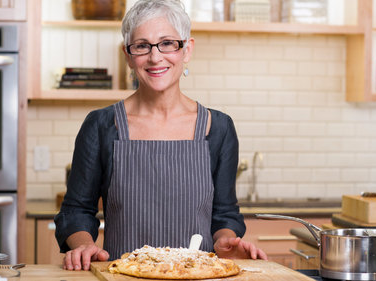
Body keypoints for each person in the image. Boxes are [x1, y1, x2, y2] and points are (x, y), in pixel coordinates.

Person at [54, 0, 267, 271]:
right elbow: (76, 211)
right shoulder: (102, 125)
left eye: (167, 43)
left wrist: (226, 241)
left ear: (187, 49)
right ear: (128, 55)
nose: (155, 57)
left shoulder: (218, 128)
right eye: (142, 46)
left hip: (198, 277)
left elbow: (224, 214)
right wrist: (84, 245)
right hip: (123, 277)